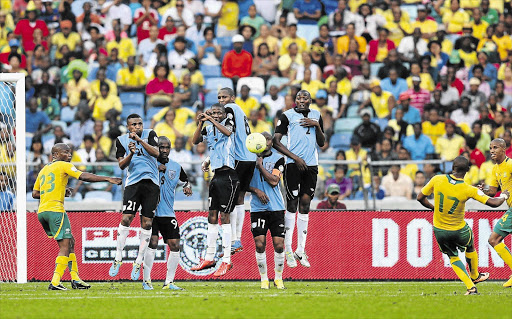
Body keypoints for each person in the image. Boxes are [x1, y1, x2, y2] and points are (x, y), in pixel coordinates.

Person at [33, 143, 121, 290]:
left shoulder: (44, 170)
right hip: (56, 210)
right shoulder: (63, 165)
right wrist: (107, 179)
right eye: (65, 152)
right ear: (55, 155)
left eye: (70, 152)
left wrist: (63, 189)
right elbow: (83, 175)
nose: (69, 155)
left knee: (71, 242)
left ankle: (75, 279)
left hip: (42, 212)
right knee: (65, 246)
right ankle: (55, 282)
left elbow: (35, 193)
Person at [417, 156, 506, 295]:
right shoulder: (468, 189)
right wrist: (504, 195)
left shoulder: (437, 179)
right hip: (459, 230)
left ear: (452, 167)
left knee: (453, 257)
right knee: (470, 245)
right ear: (468, 170)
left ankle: (471, 287)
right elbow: (494, 203)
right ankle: (475, 275)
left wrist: (432, 207)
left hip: (439, 229)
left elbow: (419, 197)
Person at [274, 90, 325, 268]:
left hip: (311, 165)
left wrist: (317, 126)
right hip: (293, 165)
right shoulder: (287, 116)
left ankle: (300, 250)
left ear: (310, 101)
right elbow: (275, 141)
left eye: (305, 98)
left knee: (305, 203)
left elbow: (322, 142)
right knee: (292, 203)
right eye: (298, 98)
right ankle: (288, 248)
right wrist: (295, 158)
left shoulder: (317, 115)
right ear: (295, 100)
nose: (301, 100)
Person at [109, 114, 160, 281]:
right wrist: (131, 153)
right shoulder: (121, 140)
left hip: (152, 183)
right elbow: (122, 165)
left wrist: (139, 140)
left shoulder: (150, 133)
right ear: (128, 126)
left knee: (147, 223)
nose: (137, 126)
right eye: (133, 124)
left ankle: (138, 261)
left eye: (139, 124)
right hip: (133, 183)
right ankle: (118, 258)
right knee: (126, 218)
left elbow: (156, 153)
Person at [191, 104, 238, 277]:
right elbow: (195, 141)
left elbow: (227, 133)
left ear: (224, 114)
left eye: (219, 112)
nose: (216, 115)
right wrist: (201, 124)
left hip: (229, 176)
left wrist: (210, 118)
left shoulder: (229, 124)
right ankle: (209, 257)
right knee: (212, 216)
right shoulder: (209, 128)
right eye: (213, 112)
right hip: (216, 176)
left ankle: (226, 260)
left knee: (224, 217)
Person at [142, 136, 192, 290]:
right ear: (156, 148)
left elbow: (186, 180)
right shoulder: (148, 165)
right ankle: (147, 281)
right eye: (161, 147)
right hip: (151, 212)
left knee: (175, 245)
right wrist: (155, 171)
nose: (164, 150)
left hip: (168, 212)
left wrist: (187, 186)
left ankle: (169, 282)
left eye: (166, 147)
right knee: (153, 243)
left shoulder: (176, 166)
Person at [215, 87, 257, 254]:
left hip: (239, 156)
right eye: (219, 97)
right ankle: (236, 239)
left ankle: (232, 239)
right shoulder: (240, 110)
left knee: (229, 199)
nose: (221, 100)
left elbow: (228, 134)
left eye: (224, 96)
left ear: (232, 97)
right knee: (239, 197)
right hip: (250, 157)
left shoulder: (229, 109)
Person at [248, 132, 286, 289]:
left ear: (271, 142)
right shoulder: (248, 160)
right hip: (258, 208)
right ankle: (264, 278)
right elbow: (241, 184)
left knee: (278, 245)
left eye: (269, 139)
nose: (266, 142)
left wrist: (260, 166)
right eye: (263, 140)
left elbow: (274, 181)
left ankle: (278, 277)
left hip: (276, 207)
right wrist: (256, 191)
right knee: (259, 243)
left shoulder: (279, 159)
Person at [478, 138, 512, 288]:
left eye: (496, 147)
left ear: (504, 149)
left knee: (494, 239)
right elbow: (492, 191)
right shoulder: (495, 169)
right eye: (490, 148)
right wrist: (483, 191)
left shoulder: (510, 164)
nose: (492, 150)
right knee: (494, 240)